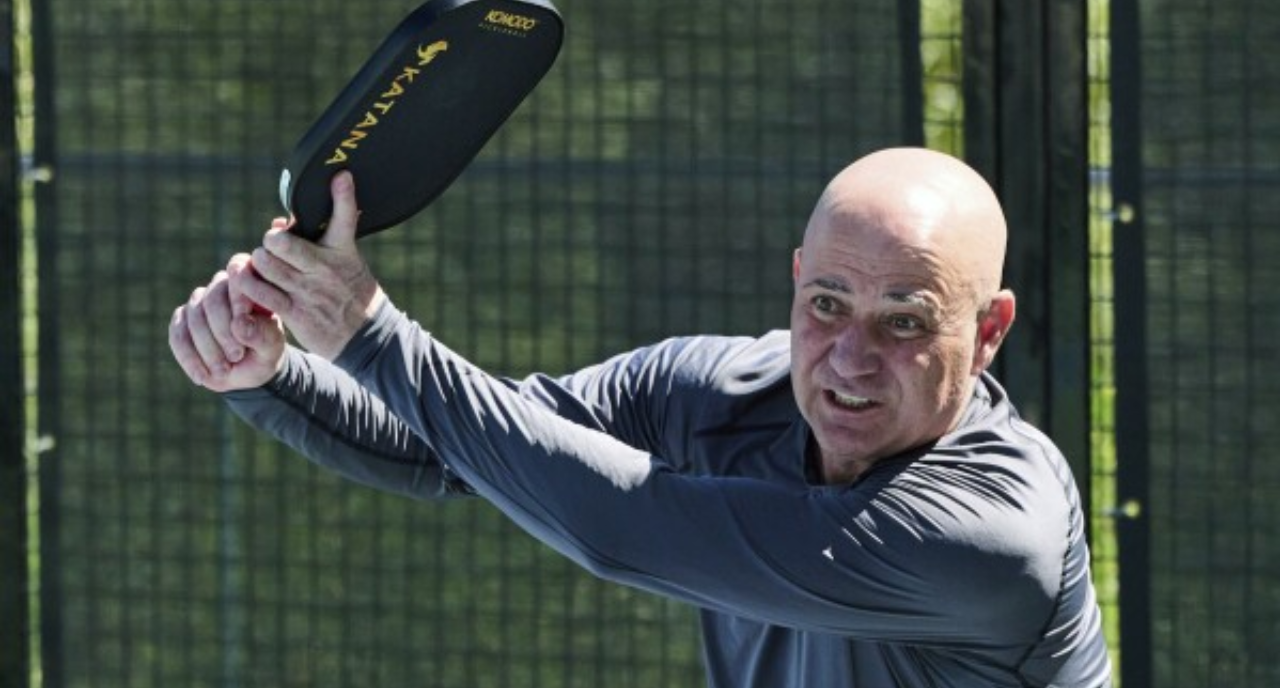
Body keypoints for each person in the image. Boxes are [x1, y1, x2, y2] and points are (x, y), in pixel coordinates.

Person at [169, 147, 1112, 687]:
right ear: (794, 283)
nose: (852, 359)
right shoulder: (718, 394)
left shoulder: (989, 533)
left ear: (988, 331)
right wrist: (269, 375)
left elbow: (620, 525)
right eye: (827, 304)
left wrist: (373, 338)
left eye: (904, 323)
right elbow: (460, 450)